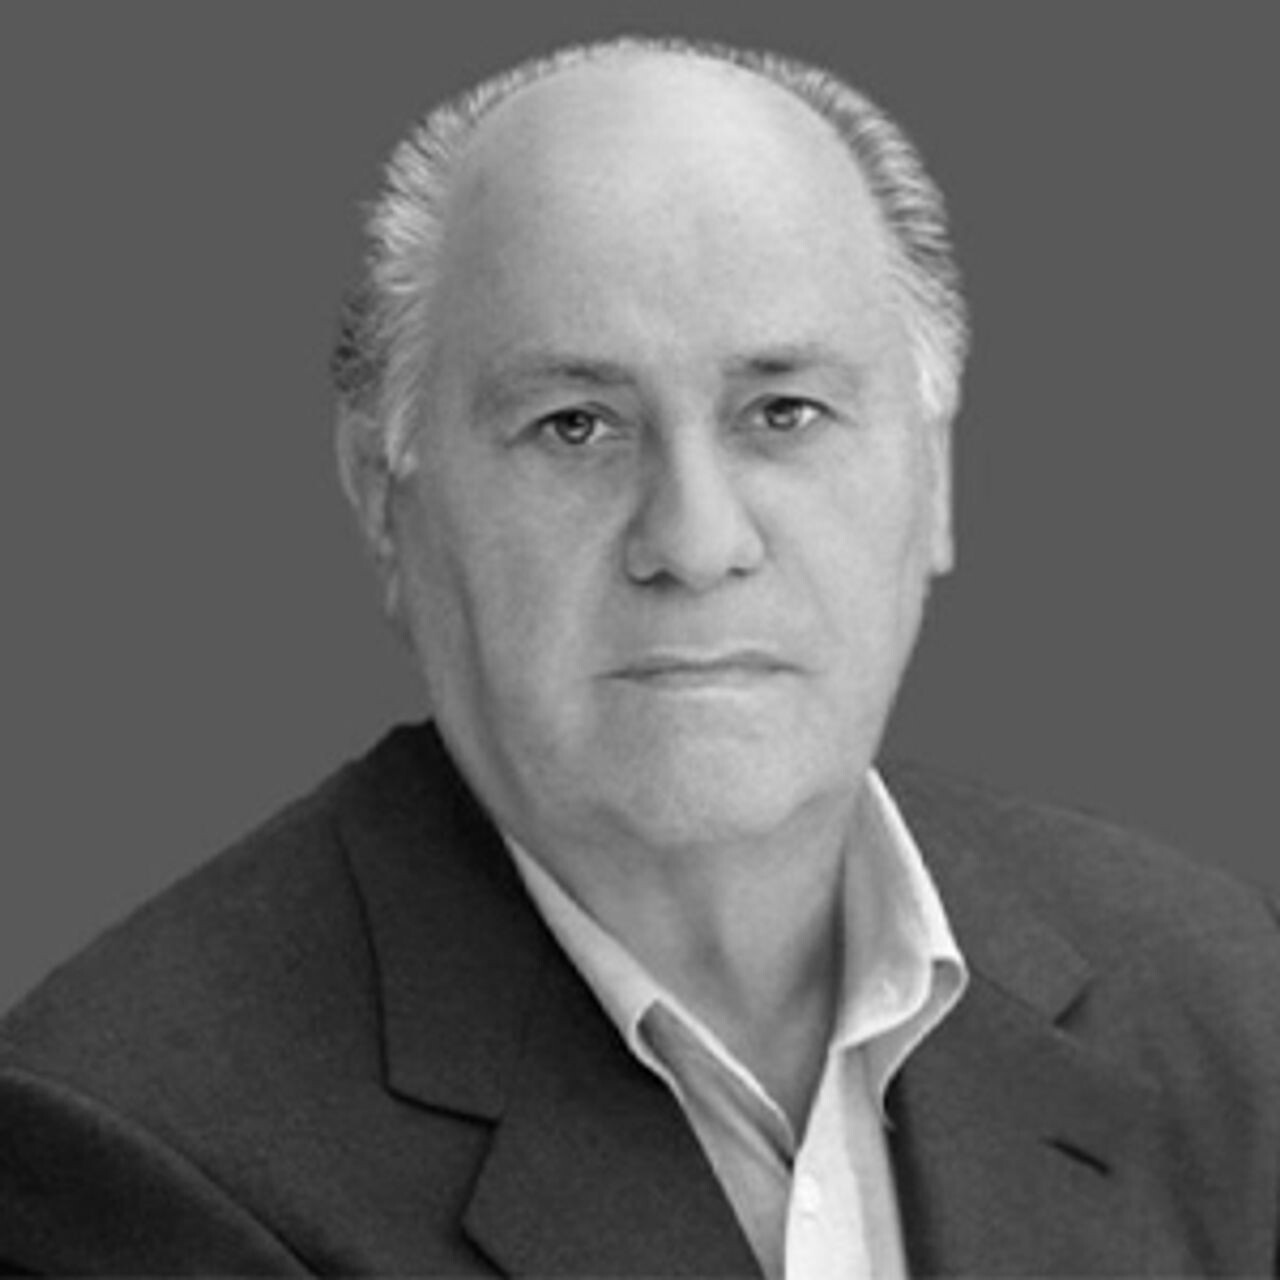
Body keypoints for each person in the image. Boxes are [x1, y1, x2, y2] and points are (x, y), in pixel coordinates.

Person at [1, 34, 1277, 1278]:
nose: (695, 540)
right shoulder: (133, 1143)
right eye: (575, 425)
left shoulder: (1213, 991)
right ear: (386, 499)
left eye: (784, 411)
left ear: (934, 477)